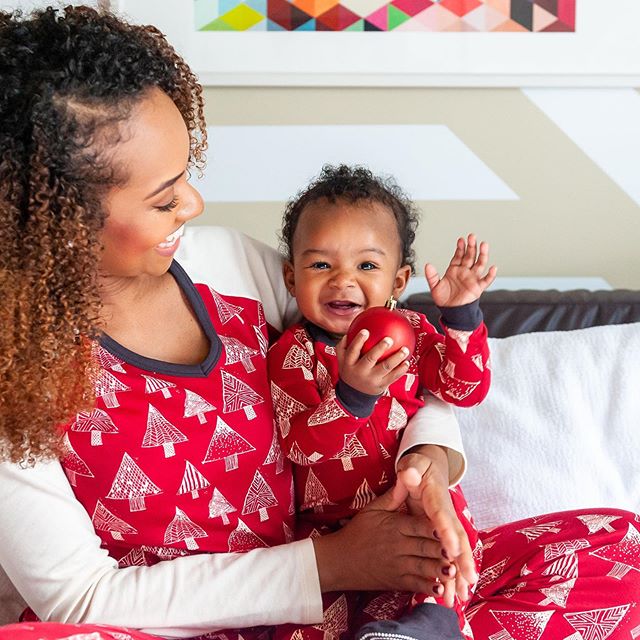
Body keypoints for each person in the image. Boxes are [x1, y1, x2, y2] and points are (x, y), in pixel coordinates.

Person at [0, 6, 638, 640]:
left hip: (350, 605)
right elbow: (81, 600)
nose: (194, 203)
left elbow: (397, 364)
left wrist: (428, 466)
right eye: (165, 197)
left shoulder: (229, 264)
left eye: (186, 177)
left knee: (616, 550)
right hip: (172, 626)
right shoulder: (12, 368)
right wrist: (327, 563)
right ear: (58, 218)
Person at [267, 165, 494, 640]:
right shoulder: (293, 353)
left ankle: (433, 618)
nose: (343, 281)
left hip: (411, 504)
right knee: (307, 619)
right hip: (332, 531)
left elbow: (463, 389)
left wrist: (461, 315)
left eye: (367, 266)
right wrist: (350, 397)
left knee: (448, 524)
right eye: (320, 265)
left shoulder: (412, 332)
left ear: (398, 280)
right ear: (291, 278)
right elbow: (299, 448)